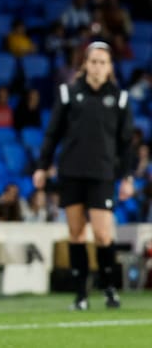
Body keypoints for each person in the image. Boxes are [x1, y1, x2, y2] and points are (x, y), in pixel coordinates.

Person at [33, 41, 135, 310]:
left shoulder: (120, 98)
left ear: (110, 66)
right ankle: (80, 295)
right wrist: (42, 166)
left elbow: (126, 143)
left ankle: (109, 288)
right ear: (85, 64)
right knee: (76, 233)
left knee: (102, 234)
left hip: (102, 174)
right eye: (94, 62)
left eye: (103, 62)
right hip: (72, 172)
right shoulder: (68, 93)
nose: (98, 67)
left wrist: (126, 177)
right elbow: (53, 133)